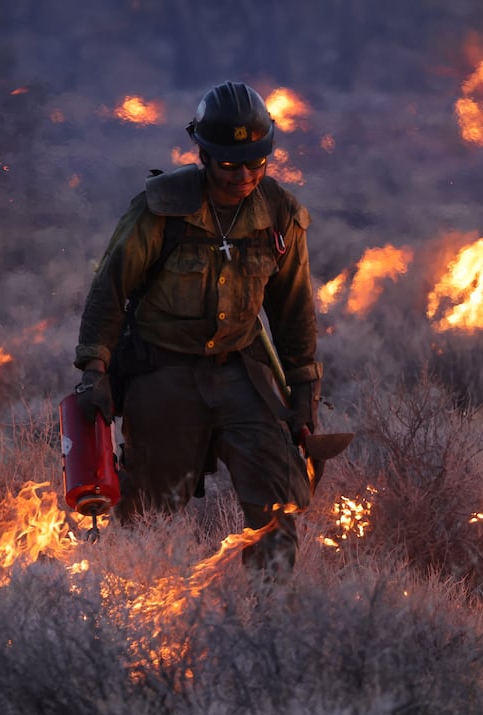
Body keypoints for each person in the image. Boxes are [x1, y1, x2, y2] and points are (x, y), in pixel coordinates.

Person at [72, 80, 321, 579]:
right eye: (229, 164)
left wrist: (304, 391)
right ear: (204, 155)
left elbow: (293, 309)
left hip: (240, 370)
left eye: (256, 162)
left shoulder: (280, 214)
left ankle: (271, 614)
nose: (244, 175)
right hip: (163, 370)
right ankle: (132, 605)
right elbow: (110, 289)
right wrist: (94, 371)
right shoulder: (160, 208)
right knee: (149, 513)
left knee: (277, 497)